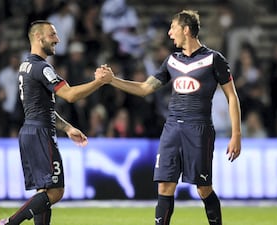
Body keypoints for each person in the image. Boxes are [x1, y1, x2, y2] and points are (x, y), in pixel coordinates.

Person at [99, 10, 241, 225]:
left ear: (186, 30)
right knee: (165, 186)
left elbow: (232, 96)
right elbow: (146, 88)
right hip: (172, 128)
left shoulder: (214, 59)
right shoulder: (172, 61)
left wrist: (236, 134)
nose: (169, 33)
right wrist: (112, 80)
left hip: (198, 128)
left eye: (173, 28)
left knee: (203, 189)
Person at [0, 20, 111, 225]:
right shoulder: (42, 67)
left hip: (31, 130)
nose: (57, 39)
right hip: (41, 133)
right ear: (39, 37)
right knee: (56, 191)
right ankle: (10, 223)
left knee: (45, 191)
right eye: (52, 35)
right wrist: (100, 82)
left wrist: (67, 127)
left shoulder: (26, 65)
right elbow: (71, 95)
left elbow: (42, 108)